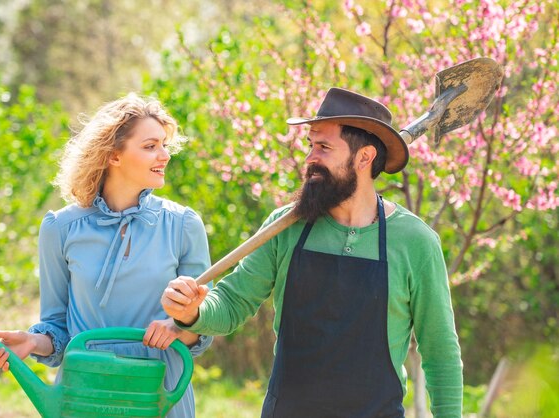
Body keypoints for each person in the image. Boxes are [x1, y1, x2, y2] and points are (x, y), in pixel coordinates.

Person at [161, 88, 463, 417]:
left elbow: (440, 353)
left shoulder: (414, 241)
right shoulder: (286, 226)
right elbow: (232, 304)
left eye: (323, 147)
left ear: (364, 158)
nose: (310, 159)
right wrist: (193, 312)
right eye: (311, 146)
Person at [0, 93, 213, 418]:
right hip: (87, 393)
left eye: (164, 144)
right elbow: (57, 327)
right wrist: (33, 341)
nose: (165, 155)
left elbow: (202, 330)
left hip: (158, 394)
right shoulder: (60, 228)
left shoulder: (183, 225)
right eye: (150, 146)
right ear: (113, 155)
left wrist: (183, 323)